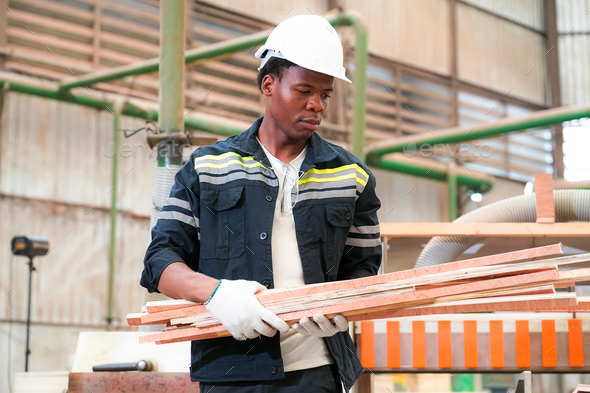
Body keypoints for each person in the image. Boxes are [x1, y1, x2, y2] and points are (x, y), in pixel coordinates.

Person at [140, 14, 382, 393]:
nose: (317, 104)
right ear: (269, 84)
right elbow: (160, 262)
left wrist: (344, 306)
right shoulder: (208, 168)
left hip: (317, 372)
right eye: (304, 90)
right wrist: (217, 294)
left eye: (326, 94)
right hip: (230, 370)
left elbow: (364, 268)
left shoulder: (351, 176)